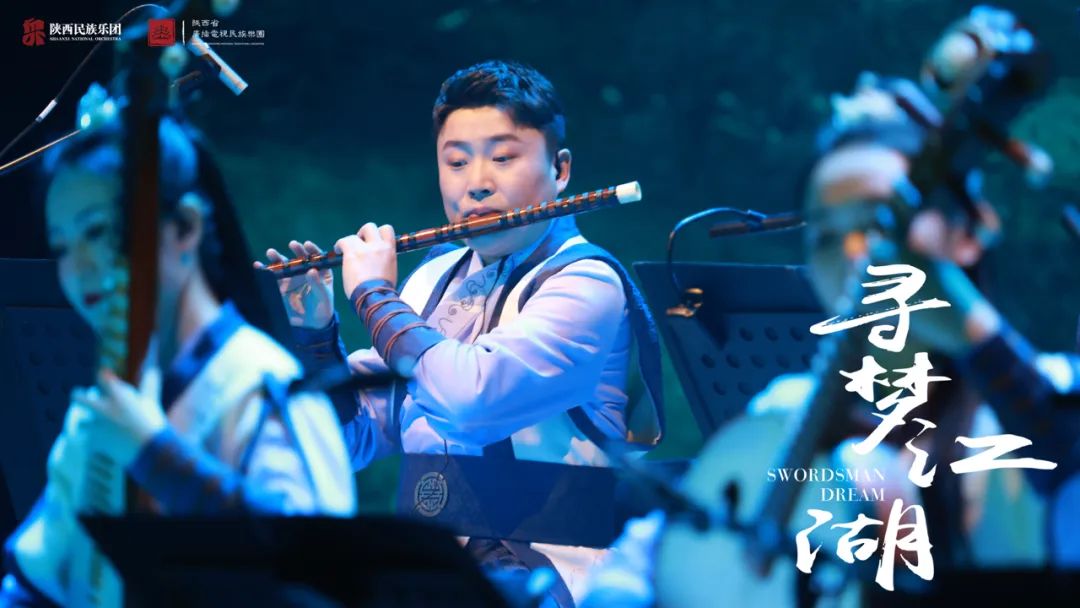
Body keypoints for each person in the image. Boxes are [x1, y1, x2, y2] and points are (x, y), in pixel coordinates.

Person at [581, 6, 1080, 606]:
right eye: (823, 237)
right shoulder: (789, 413)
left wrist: (974, 332)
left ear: (970, 232)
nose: (854, 254)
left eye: (877, 222)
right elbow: (647, 560)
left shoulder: (1047, 399)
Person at [269, 60, 663, 607]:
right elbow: (353, 437)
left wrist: (374, 297)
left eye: (503, 158)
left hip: (549, 573)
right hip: (431, 563)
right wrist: (315, 335)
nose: (477, 183)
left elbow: (473, 400)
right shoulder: (433, 276)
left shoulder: (587, 282)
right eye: (456, 162)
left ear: (560, 169)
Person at [1, 86, 357, 607]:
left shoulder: (263, 386)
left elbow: (318, 573)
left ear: (185, 227)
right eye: (62, 247)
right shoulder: (113, 403)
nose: (79, 268)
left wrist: (156, 455)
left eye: (98, 232)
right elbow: (36, 579)